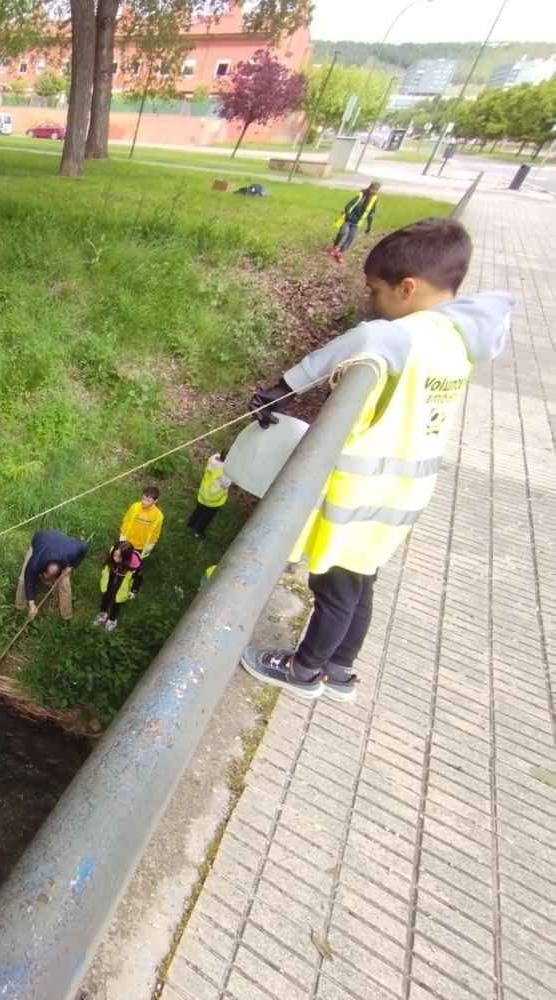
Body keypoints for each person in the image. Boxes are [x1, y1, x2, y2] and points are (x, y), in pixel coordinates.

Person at [244, 218, 512, 702]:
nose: (371, 302)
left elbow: (350, 345)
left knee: (334, 587)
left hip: (363, 489)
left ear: (407, 288)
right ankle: (341, 668)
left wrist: (280, 388)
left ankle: (304, 671)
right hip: (407, 486)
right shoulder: (460, 337)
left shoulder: (406, 336)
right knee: (361, 579)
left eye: (375, 291)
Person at [14, 529, 88, 622]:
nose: (47, 580)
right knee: (23, 580)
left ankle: (66, 617)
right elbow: (29, 580)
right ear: (43, 571)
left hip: (61, 542)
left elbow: (85, 546)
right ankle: (19, 608)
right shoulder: (35, 562)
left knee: (65, 585)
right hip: (41, 539)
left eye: (51, 579)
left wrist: (72, 566)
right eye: (46, 577)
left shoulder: (72, 552)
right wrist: (32, 604)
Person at [118, 488, 163, 597]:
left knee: (137, 568)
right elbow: (126, 520)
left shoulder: (158, 516)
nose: (144, 502)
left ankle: (134, 588)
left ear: (155, 502)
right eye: (143, 498)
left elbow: (156, 532)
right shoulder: (135, 507)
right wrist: (123, 535)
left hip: (141, 546)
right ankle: (119, 578)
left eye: (148, 500)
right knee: (121, 561)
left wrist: (151, 544)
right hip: (127, 542)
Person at [94, 541, 142, 632]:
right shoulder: (113, 556)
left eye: (119, 557)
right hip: (111, 577)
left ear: (126, 557)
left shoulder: (134, 566)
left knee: (117, 600)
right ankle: (102, 613)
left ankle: (112, 619)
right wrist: (104, 569)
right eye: (115, 555)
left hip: (123, 584)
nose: (115, 558)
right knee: (106, 595)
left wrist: (134, 590)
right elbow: (107, 561)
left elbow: (138, 578)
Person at [328, 182, 380, 263]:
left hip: (357, 222)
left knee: (351, 237)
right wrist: (347, 215)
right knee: (343, 232)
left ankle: (340, 252)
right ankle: (335, 247)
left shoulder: (374, 199)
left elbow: (371, 214)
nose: (373, 191)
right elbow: (348, 205)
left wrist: (369, 226)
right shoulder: (361, 194)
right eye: (372, 188)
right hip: (348, 219)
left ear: (377, 191)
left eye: (375, 190)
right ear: (369, 187)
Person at [188, 451, 231, 538]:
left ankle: (191, 524)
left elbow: (217, 455)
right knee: (206, 517)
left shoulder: (212, 460)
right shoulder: (226, 472)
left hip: (204, 493)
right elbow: (226, 484)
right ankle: (198, 532)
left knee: (198, 510)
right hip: (214, 499)